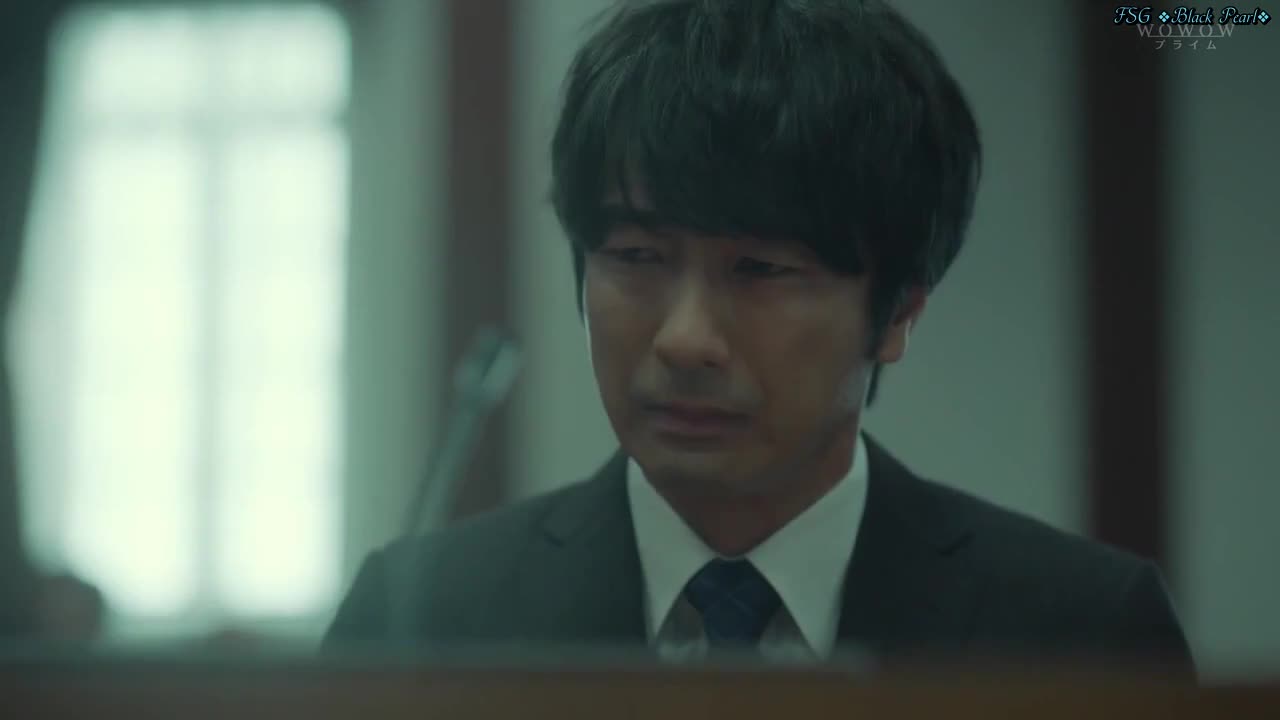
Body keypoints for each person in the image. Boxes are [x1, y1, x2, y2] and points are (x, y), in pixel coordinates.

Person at [324, 0, 1194, 673]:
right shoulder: (418, 620)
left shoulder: (1081, 630)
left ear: (898, 311)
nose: (685, 340)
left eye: (761, 270)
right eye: (636, 257)